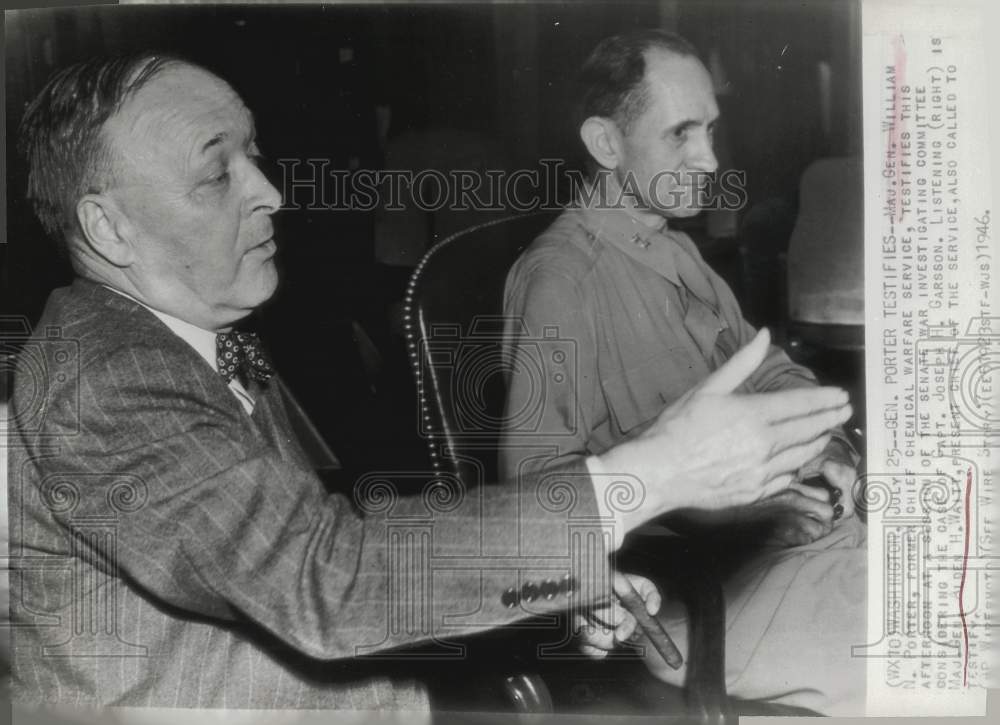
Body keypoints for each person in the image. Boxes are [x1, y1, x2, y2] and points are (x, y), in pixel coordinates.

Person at [7, 52, 850, 713]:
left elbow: (335, 531)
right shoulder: (106, 376)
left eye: (254, 156)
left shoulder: (193, 335)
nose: (269, 191)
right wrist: (652, 475)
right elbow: (328, 578)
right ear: (107, 226)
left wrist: (561, 573)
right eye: (215, 172)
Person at [500, 31, 867, 715]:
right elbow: (542, 504)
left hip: (803, 547)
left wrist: (831, 447)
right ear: (607, 145)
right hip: (698, 600)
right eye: (681, 135)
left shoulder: (677, 252)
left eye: (711, 130)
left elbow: (773, 371)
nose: (710, 159)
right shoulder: (560, 280)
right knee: (946, 654)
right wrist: (734, 520)